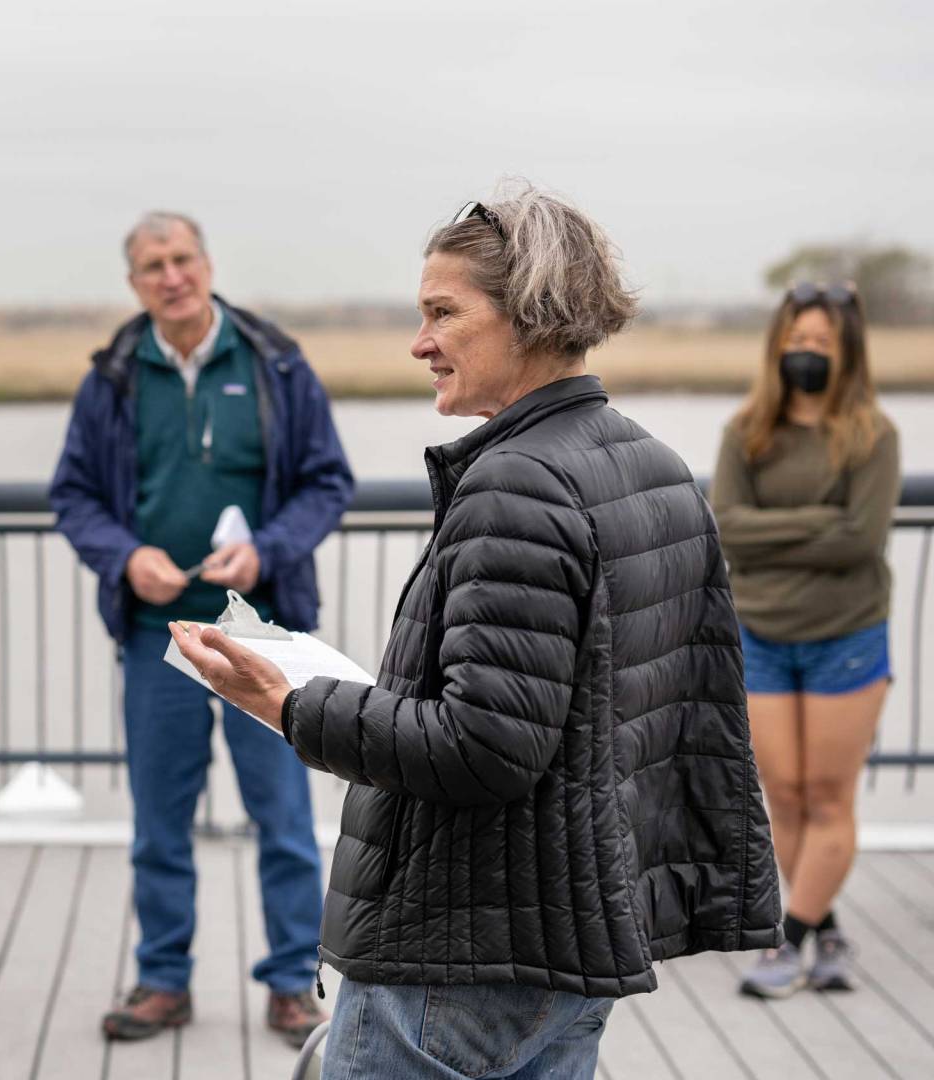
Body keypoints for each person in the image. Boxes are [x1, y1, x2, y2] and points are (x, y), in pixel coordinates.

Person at [171, 186, 782, 1079]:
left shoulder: (518, 485)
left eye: (443, 313)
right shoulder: (652, 467)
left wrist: (292, 702)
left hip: (456, 956)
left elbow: (485, 747)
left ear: (529, 316)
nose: (420, 343)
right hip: (575, 948)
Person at [50, 211, 353, 1048]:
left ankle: (295, 983)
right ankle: (162, 979)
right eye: (152, 265)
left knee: (284, 816)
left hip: (264, 632)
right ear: (134, 283)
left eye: (182, 259)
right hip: (157, 631)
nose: (171, 276)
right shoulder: (111, 376)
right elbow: (73, 497)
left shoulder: (276, 365)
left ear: (207, 264)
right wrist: (122, 555)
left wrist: (270, 550)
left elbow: (329, 481)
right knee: (159, 817)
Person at [710, 284, 898, 999]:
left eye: (821, 345)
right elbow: (726, 523)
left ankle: (787, 942)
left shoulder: (873, 434)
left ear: (846, 353)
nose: (806, 355)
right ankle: (827, 929)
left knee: (828, 793)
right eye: (797, 341)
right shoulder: (746, 432)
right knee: (783, 793)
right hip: (759, 633)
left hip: (845, 637)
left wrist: (776, 533)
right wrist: (818, 522)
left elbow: (861, 538)